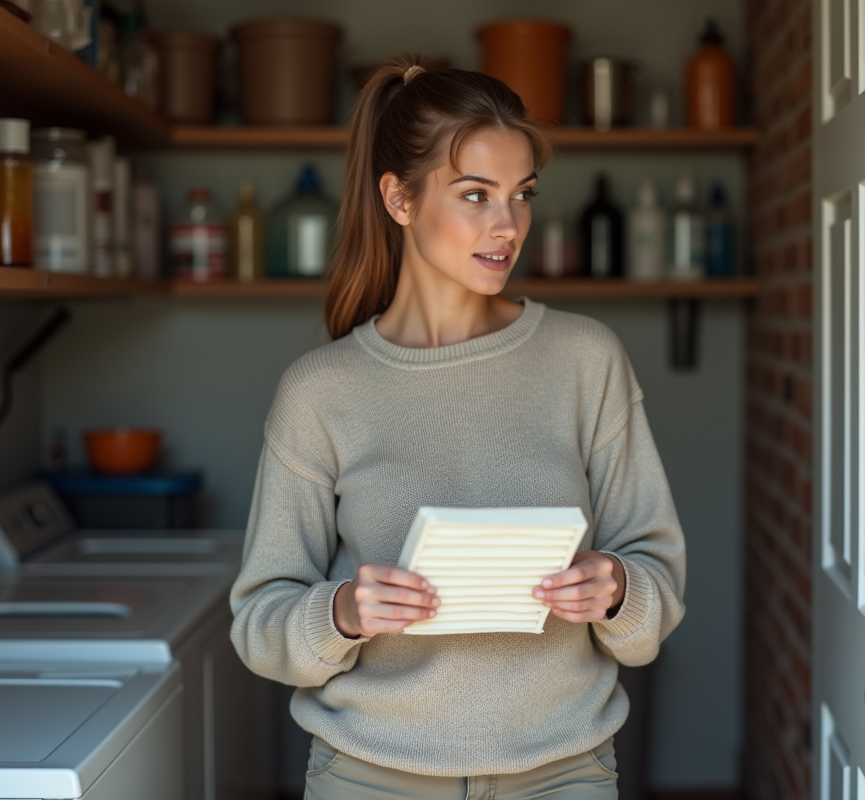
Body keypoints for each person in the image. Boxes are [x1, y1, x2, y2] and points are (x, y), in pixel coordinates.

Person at [230, 56, 687, 800]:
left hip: (565, 773)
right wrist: (342, 612)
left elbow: (655, 588)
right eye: (475, 195)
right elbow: (259, 623)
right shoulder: (320, 392)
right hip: (369, 778)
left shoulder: (586, 359)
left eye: (521, 196)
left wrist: (617, 589)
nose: (507, 227)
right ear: (399, 199)